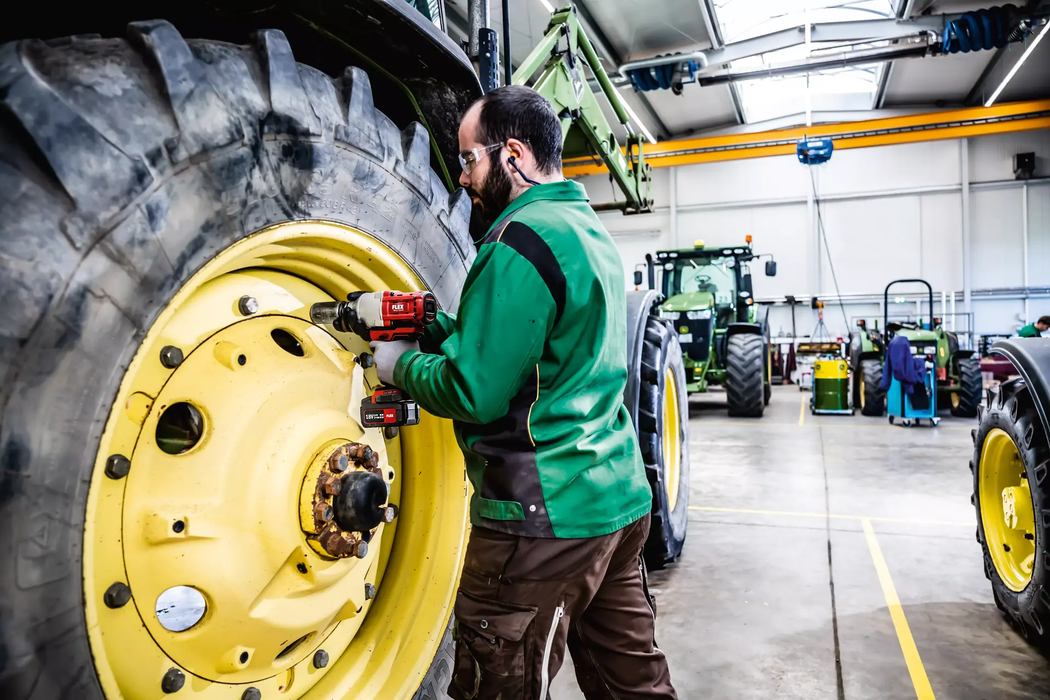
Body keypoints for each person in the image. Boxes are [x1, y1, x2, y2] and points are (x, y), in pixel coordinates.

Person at [370, 85, 677, 699]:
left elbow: (473, 389)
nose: (462, 180)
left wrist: (399, 365)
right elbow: (539, 357)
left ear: (512, 154)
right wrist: (433, 325)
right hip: (616, 506)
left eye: (468, 160)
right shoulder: (587, 232)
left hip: (542, 522)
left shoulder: (518, 241)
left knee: (497, 686)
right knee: (633, 684)